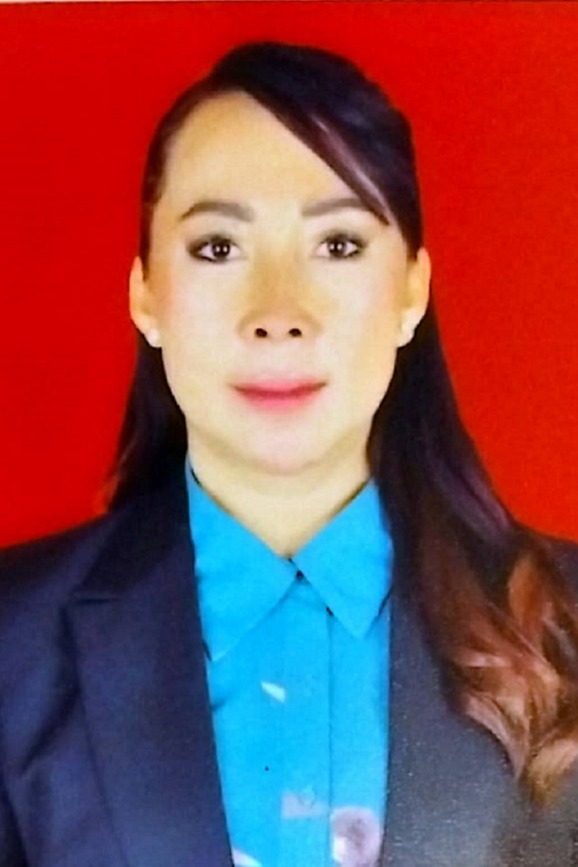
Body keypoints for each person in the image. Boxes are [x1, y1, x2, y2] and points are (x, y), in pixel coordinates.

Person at [1, 40, 578, 867]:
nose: (278, 312)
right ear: (146, 294)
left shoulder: (564, 628)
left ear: (411, 291)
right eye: (217, 247)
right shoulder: (13, 643)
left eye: (338, 244)